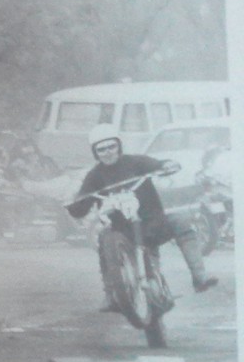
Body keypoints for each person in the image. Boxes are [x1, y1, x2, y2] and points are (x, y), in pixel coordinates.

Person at [66, 124, 217, 312]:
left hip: (153, 223)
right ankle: (111, 294)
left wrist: (166, 165)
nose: (107, 152)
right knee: (104, 238)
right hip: (122, 231)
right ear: (95, 153)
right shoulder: (94, 175)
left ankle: (199, 276)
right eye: (101, 149)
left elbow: (158, 165)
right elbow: (82, 205)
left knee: (181, 220)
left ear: (119, 146)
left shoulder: (136, 162)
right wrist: (73, 203)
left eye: (111, 146)